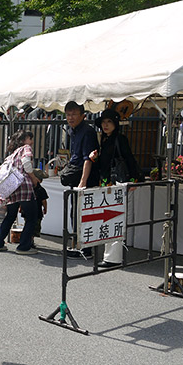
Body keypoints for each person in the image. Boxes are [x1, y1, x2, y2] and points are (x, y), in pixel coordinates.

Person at [90, 108, 143, 268]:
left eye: (109, 122)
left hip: (118, 183)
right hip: (108, 184)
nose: (105, 125)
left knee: (113, 218)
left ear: (115, 124)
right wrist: (96, 158)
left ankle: (113, 258)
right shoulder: (105, 140)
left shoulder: (119, 139)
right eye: (103, 122)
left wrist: (134, 180)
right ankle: (111, 256)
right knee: (109, 218)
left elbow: (129, 159)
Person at [0, 130, 42, 255]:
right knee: (32, 217)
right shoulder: (26, 148)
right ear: (24, 140)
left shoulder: (13, 153)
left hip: (12, 188)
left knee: (10, 216)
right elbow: (26, 163)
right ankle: (24, 247)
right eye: (30, 138)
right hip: (24, 187)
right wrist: (33, 177)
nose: (32, 141)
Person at [61, 101, 99, 258]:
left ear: (83, 115)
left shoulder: (87, 132)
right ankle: (78, 245)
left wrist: (82, 182)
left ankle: (85, 249)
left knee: (82, 213)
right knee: (75, 212)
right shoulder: (73, 130)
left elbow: (87, 159)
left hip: (85, 180)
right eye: (68, 115)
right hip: (76, 177)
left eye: (74, 114)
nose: (70, 118)